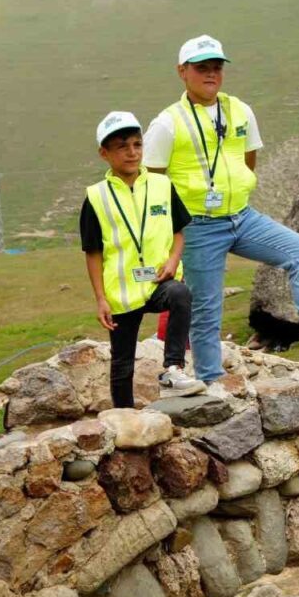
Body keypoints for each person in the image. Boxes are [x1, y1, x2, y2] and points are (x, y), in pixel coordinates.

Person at [143, 35, 299, 383]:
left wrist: (233, 191)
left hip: (242, 216)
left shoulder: (239, 110)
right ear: (182, 71)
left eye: (217, 67)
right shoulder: (167, 123)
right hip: (198, 226)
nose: (211, 74)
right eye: (202, 67)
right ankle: (211, 381)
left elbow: (248, 161)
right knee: (206, 308)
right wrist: (172, 234)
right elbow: (151, 182)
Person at [80, 111, 205, 407]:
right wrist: (100, 298)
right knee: (122, 364)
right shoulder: (96, 198)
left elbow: (178, 232)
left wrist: (174, 261)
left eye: (137, 144)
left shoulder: (162, 186)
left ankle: (173, 369)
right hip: (121, 292)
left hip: (158, 282)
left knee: (181, 293)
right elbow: (93, 253)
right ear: (104, 153)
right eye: (122, 146)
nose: (132, 152)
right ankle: (124, 419)